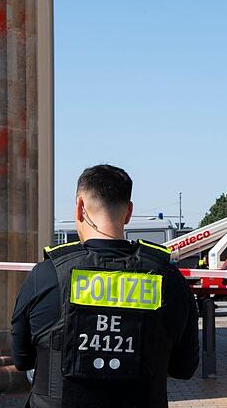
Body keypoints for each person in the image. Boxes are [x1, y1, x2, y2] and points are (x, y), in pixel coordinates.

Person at [11, 165, 199, 407]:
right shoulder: (169, 278)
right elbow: (184, 368)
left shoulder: (46, 275)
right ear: (129, 211)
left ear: (80, 207)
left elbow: (22, 359)